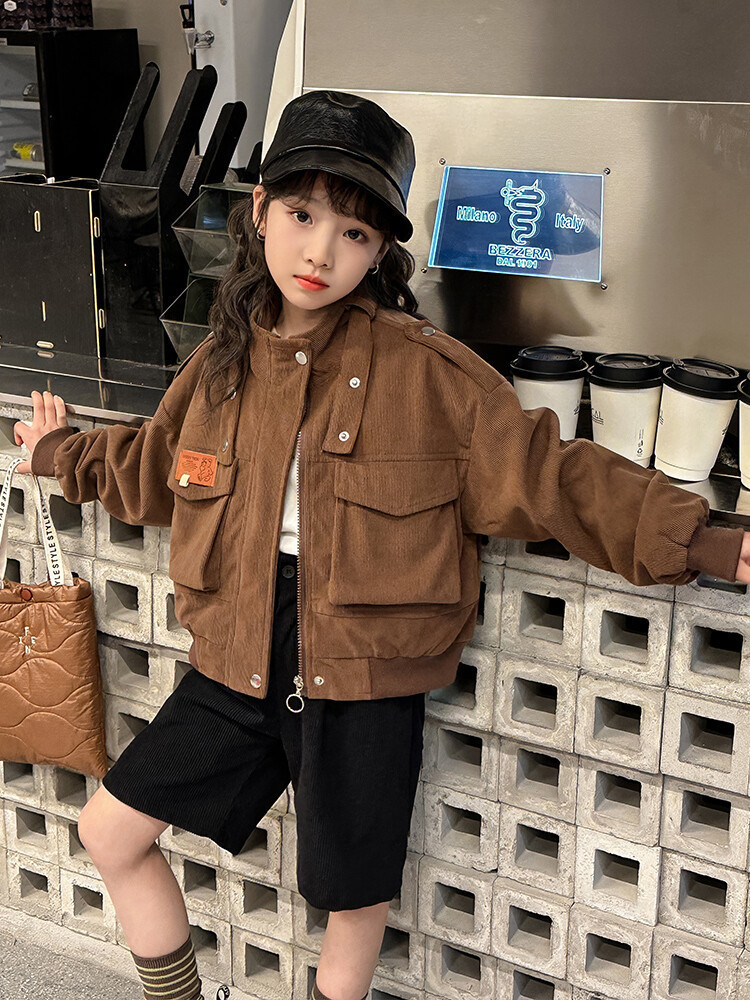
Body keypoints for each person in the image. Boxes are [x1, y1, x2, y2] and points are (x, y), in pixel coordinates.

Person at [13, 90, 750, 1000]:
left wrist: (705, 541)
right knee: (109, 832)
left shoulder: (429, 372)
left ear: (381, 251)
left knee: (352, 900)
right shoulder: (222, 362)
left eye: (355, 232)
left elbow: (551, 474)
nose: (321, 252)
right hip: (235, 655)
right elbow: (153, 467)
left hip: (366, 674)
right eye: (302, 215)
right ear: (260, 210)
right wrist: (56, 453)